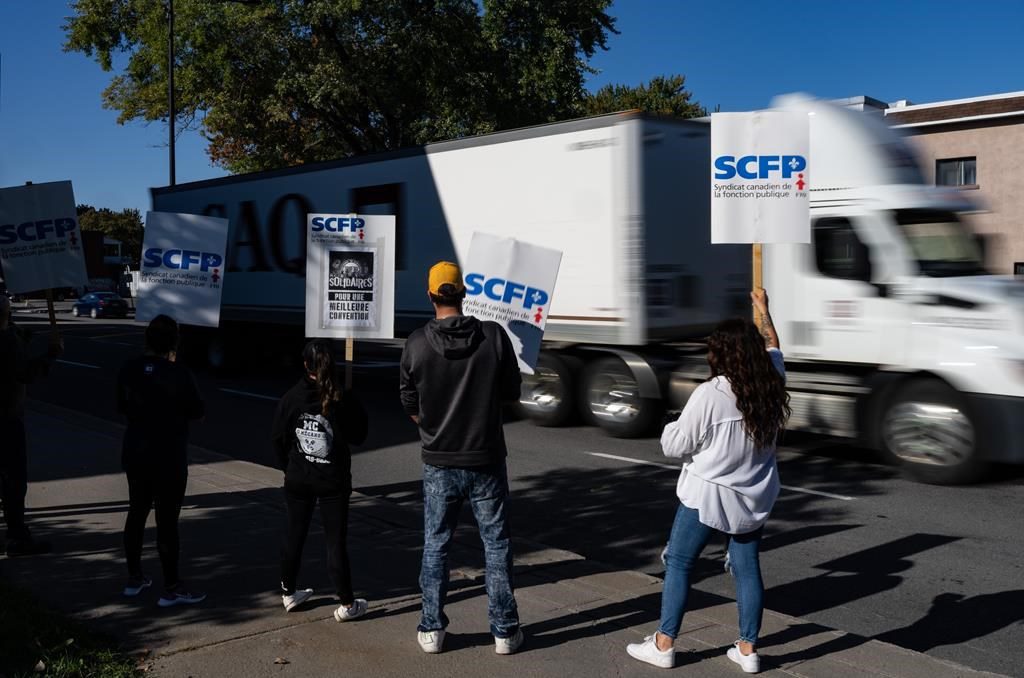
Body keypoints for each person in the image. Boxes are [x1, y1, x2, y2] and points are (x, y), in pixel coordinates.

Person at [627, 289, 790, 673]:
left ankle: (664, 644)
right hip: (754, 495)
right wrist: (764, 310)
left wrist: (672, 425)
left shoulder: (710, 394)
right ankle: (748, 650)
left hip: (708, 496)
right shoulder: (772, 383)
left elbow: (675, 445)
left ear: (719, 355)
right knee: (747, 569)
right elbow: (774, 346)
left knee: (681, 564)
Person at [399, 261, 524, 655]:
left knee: (436, 545)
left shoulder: (417, 343)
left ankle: (432, 629)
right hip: (486, 458)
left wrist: (432, 424)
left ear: (431, 294)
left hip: (438, 460)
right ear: (464, 293)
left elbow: (408, 400)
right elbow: (512, 393)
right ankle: (504, 632)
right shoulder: (493, 336)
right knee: (496, 545)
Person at [271, 339, 369, 621]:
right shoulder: (342, 398)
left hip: (299, 478)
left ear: (305, 365)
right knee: (335, 541)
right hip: (333, 481)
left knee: (294, 534)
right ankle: (347, 603)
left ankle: (288, 591)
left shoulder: (291, 398)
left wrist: (289, 467)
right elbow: (359, 435)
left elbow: (277, 439)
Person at [117, 314, 206, 606]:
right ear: (173, 343)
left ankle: (134, 577)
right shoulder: (178, 373)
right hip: (168, 455)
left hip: (136, 452)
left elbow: (121, 405)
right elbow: (197, 411)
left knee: (136, 512)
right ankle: (171, 586)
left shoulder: (129, 369)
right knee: (167, 522)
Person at [0, 294, 61, 556]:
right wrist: (51, 354)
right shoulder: (5, 342)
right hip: (5, 419)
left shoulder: (8, 338)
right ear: (7, 313)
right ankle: (17, 538)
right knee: (13, 482)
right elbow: (25, 371)